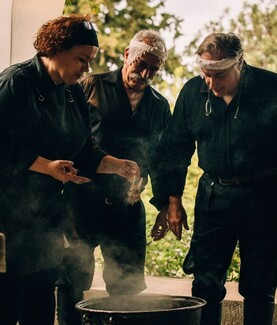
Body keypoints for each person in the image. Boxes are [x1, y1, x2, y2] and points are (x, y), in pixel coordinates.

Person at [0, 14, 140, 325]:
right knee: (7, 307)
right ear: (56, 48)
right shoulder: (15, 83)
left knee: (39, 310)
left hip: (47, 221)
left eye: (90, 61)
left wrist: (115, 164)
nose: (86, 68)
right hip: (8, 222)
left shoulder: (72, 90)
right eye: (81, 59)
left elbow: (83, 147)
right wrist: (45, 166)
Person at [151, 32, 277, 325]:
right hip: (214, 197)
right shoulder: (193, 92)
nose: (211, 83)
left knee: (259, 286)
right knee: (205, 284)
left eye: (218, 75)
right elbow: (174, 149)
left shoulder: (270, 88)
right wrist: (172, 200)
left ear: (239, 63)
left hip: (265, 196)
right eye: (205, 74)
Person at [57, 29, 171, 324]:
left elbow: (161, 159)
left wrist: (163, 207)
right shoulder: (89, 85)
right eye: (140, 64)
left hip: (127, 205)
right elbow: (65, 136)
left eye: (153, 70)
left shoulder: (159, 105)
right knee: (71, 281)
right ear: (126, 56)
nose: (145, 73)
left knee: (127, 285)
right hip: (81, 201)